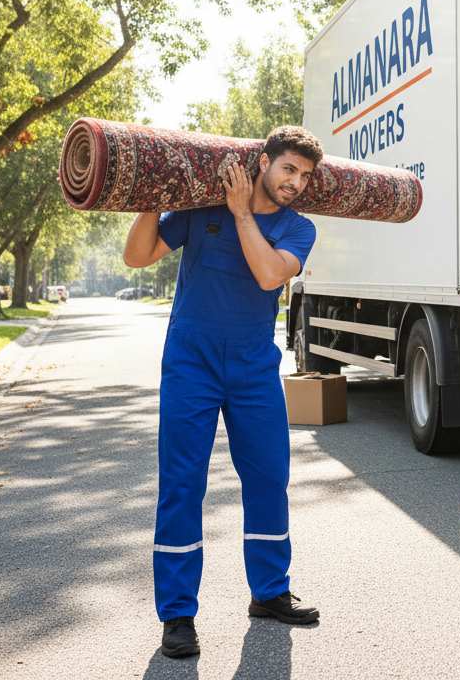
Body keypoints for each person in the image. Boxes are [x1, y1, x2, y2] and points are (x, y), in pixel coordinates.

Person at [123, 125, 326, 658]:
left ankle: (269, 592)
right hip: (192, 362)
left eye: (304, 176)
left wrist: (243, 215)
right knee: (183, 483)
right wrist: (154, 200)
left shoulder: (297, 229)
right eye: (288, 169)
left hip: (254, 364)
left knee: (268, 477)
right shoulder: (199, 210)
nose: (296, 182)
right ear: (262, 163)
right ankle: (178, 614)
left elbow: (268, 276)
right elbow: (136, 258)